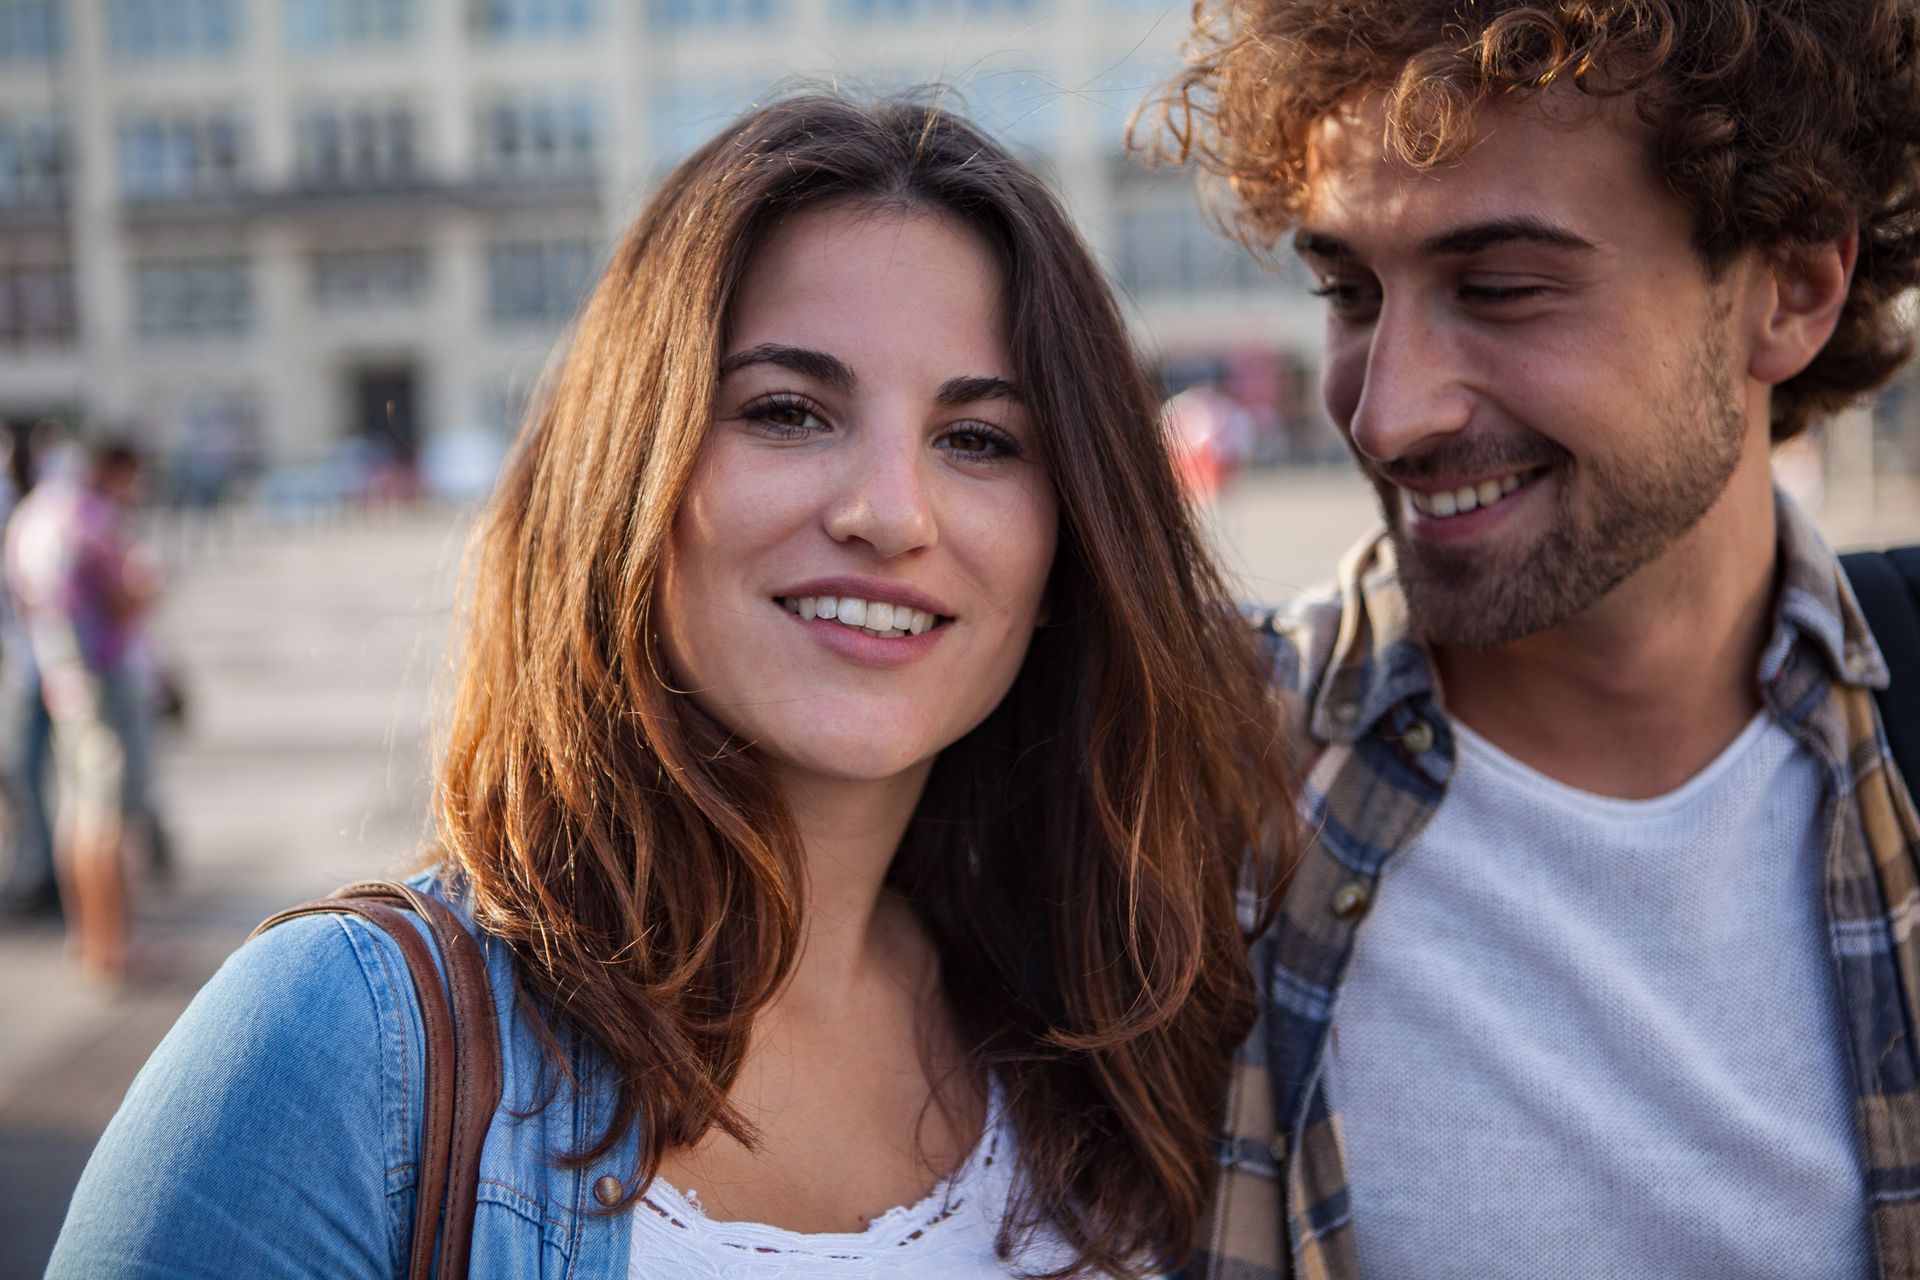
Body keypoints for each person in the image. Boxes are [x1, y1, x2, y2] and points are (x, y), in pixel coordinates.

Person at [49, 95, 1291, 1277]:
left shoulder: (1115, 1014)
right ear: (628, 468)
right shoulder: (343, 1046)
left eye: (979, 439)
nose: (889, 513)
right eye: (790, 410)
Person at [1141, 3, 1920, 1277]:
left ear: (1793, 288)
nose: (1387, 416)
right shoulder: (1169, 778)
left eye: (1501, 291)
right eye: (1348, 292)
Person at [6, 438, 156, 983]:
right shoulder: (86, 518)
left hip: (57, 676)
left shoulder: (29, 518)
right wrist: (147, 588)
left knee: (76, 810)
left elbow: (24, 601)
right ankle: (114, 946)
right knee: (110, 815)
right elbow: (121, 596)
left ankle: (89, 940)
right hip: (102, 677)